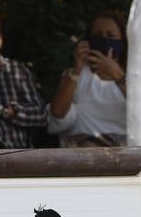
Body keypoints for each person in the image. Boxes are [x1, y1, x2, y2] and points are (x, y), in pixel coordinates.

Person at [48, 11, 128, 147]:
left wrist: (117, 75)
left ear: (122, 41)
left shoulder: (134, 78)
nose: (104, 39)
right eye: (97, 35)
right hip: (81, 151)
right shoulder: (74, 75)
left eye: (110, 35)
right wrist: (77, 68)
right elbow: (57, 113)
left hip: (123, 151)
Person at [0, 12, 46, 149]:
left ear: (0, 41)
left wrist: (1, 111)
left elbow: (41, 116)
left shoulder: (17, 71)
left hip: (17, 162)